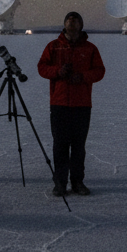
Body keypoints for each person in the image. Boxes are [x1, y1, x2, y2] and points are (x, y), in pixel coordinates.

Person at [37, 11, 106, 196]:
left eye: (75, 20)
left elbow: (99, 71)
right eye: (69, 19)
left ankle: (77, 183)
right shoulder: (53, 46)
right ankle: (60, 183)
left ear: (81, 25)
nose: (72, 22)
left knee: (78, 147)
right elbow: (42, 67)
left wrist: (82, 77)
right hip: (59, 103)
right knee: (60, 145)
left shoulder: (90, 48)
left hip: (82, 104)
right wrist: (58, 72)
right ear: (64, 24)